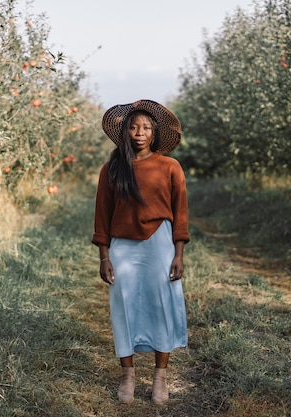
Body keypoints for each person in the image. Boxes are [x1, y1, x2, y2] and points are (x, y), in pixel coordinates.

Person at [92, 99, 190, 405]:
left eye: (146, 127)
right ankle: (128, 375)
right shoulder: (112, 169)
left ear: (155, 133)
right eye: (133, 127)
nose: (139, 132)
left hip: (159, 243)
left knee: (162, 305)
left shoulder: (170, 167)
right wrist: (104, 256)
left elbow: (181, 213)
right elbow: (102, 215)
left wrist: (178, 253)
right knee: (124, 307)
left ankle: (160, 377)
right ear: (125, 132)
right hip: (122, 247)